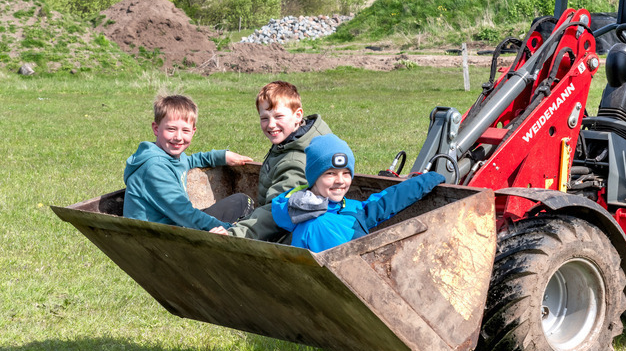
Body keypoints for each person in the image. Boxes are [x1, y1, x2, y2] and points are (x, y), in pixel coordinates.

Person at [271, 134, 445, 253]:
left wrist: (425, 181)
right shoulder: (316, 224)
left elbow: (384, 203)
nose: (340, 180)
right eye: (330, 173)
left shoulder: (347, 209)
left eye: (346, 173)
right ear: (314, 177)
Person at [124, 94, 254, 233]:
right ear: (156, 129)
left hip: (175, 223)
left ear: (193, 131)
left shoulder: (170, 156)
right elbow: (185, 214)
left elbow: (189, 160)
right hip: (158, 238)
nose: (178, 137)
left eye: (185, 130)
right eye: (171, 129)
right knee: (239, 221)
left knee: (241, 201)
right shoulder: (155, 168)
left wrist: (221, 156)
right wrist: (232, 231)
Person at [227, 81, 333, 240]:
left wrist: (235, 235)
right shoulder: (294, 140)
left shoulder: (295, 161)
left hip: (288, 232)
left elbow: (275, 213)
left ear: (297, 115)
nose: (271, 124)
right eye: (264, 118)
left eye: (278, 116)